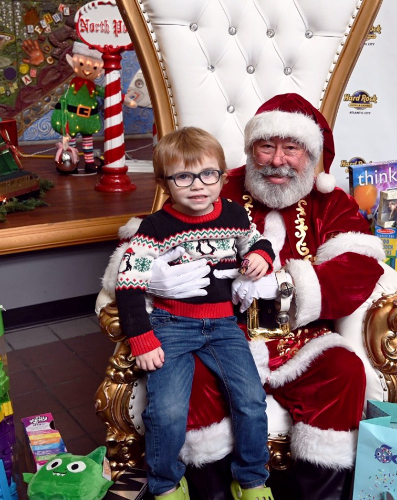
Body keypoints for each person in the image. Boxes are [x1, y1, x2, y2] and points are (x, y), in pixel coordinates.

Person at [103, 93, 386, 500]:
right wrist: (155, 278)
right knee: (190, 384)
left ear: (313, 155)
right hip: (216, 330)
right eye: (266, 146)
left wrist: (283, 285)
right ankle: (212, 491)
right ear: (251, 149)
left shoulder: (331, 202)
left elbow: (359, 268)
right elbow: (136, 250)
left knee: (343, 370)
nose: (276, 160)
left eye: (292, 149)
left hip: (301, 338)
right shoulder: (213, 183)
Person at [114, 127, 276, 500]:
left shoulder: (234, 214)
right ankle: (166, 483)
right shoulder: (154, 228)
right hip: (172, 325)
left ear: (222, 174)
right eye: (183, 177)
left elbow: (257, 242)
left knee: (251, 400)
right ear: (164, 182)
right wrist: (142, 337)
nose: (198, 185)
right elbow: (128, 284)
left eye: (209, 174)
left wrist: (259, 257)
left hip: (223, 324)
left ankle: (251, 479)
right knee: (167, 411)